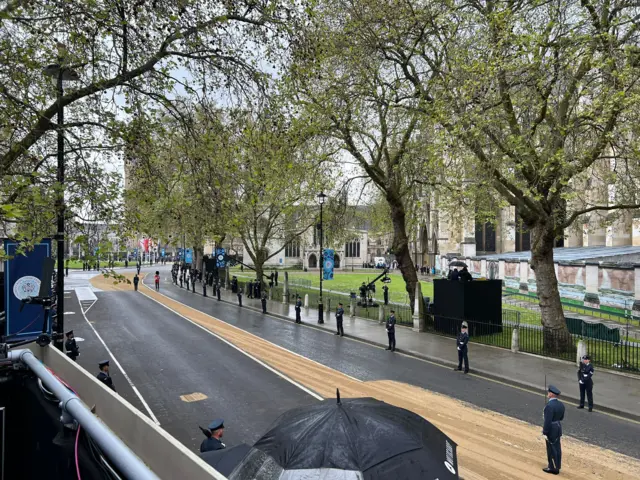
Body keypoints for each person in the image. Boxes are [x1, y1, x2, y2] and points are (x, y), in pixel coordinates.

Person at [542, 385, 565, 475]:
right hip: (558, 427)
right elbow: (561, 417)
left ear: (551, 394)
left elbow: (547, 421)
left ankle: (552, 467)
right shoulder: (561, 405)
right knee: (557, 448)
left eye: (548, 392)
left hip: (551, 428)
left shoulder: (549, 406)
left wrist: (545, 431)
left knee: (551, 448)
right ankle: (557, 466)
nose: (548, 393)